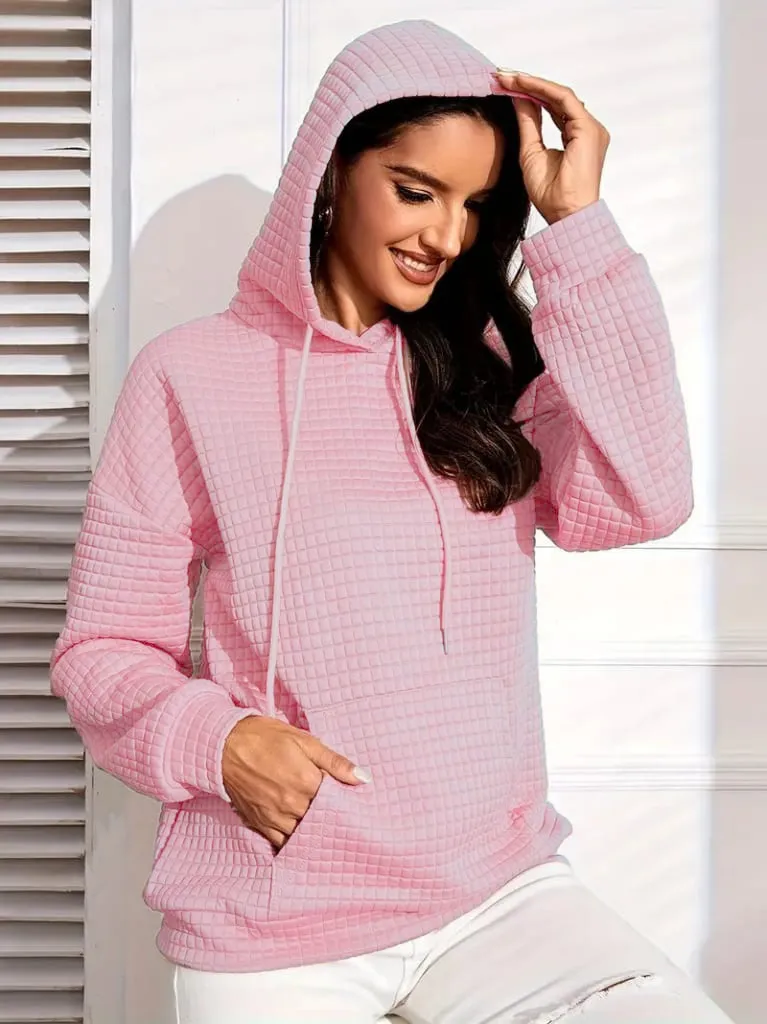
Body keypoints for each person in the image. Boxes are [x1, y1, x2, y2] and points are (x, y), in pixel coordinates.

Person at [50, 18, 735, 1024]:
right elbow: (103, 647)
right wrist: (218, 740)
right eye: (415, 191)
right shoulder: (189, 376)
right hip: (276, 912)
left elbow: (645, 498)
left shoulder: (484, 370)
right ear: (332, 172)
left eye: (473, 205)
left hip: (495, 893)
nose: (446, 238)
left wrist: (577, 224)